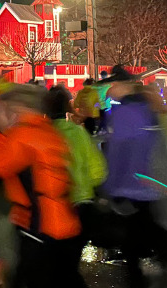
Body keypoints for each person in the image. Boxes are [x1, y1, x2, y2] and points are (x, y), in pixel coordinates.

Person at [0, 84, 84, 288]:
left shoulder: (22, 135)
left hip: (41, 228)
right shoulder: (47, 131)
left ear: (14, 109)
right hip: (66, 223)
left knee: (34, 279)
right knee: (66, 279)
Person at [102, 83, 167, 288]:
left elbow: (116, 153)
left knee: (131, 241)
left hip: (130, 186)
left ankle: (137, 280)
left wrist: (109, 187)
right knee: (156, 232)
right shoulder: (152, 110)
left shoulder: (123, 114)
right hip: (155, 185)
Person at [45, 86, 107, 236]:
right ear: (68, 106)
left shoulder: (43, 134)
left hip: (51, 205)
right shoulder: (79, 132)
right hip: (81, 200)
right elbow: (97, 171)